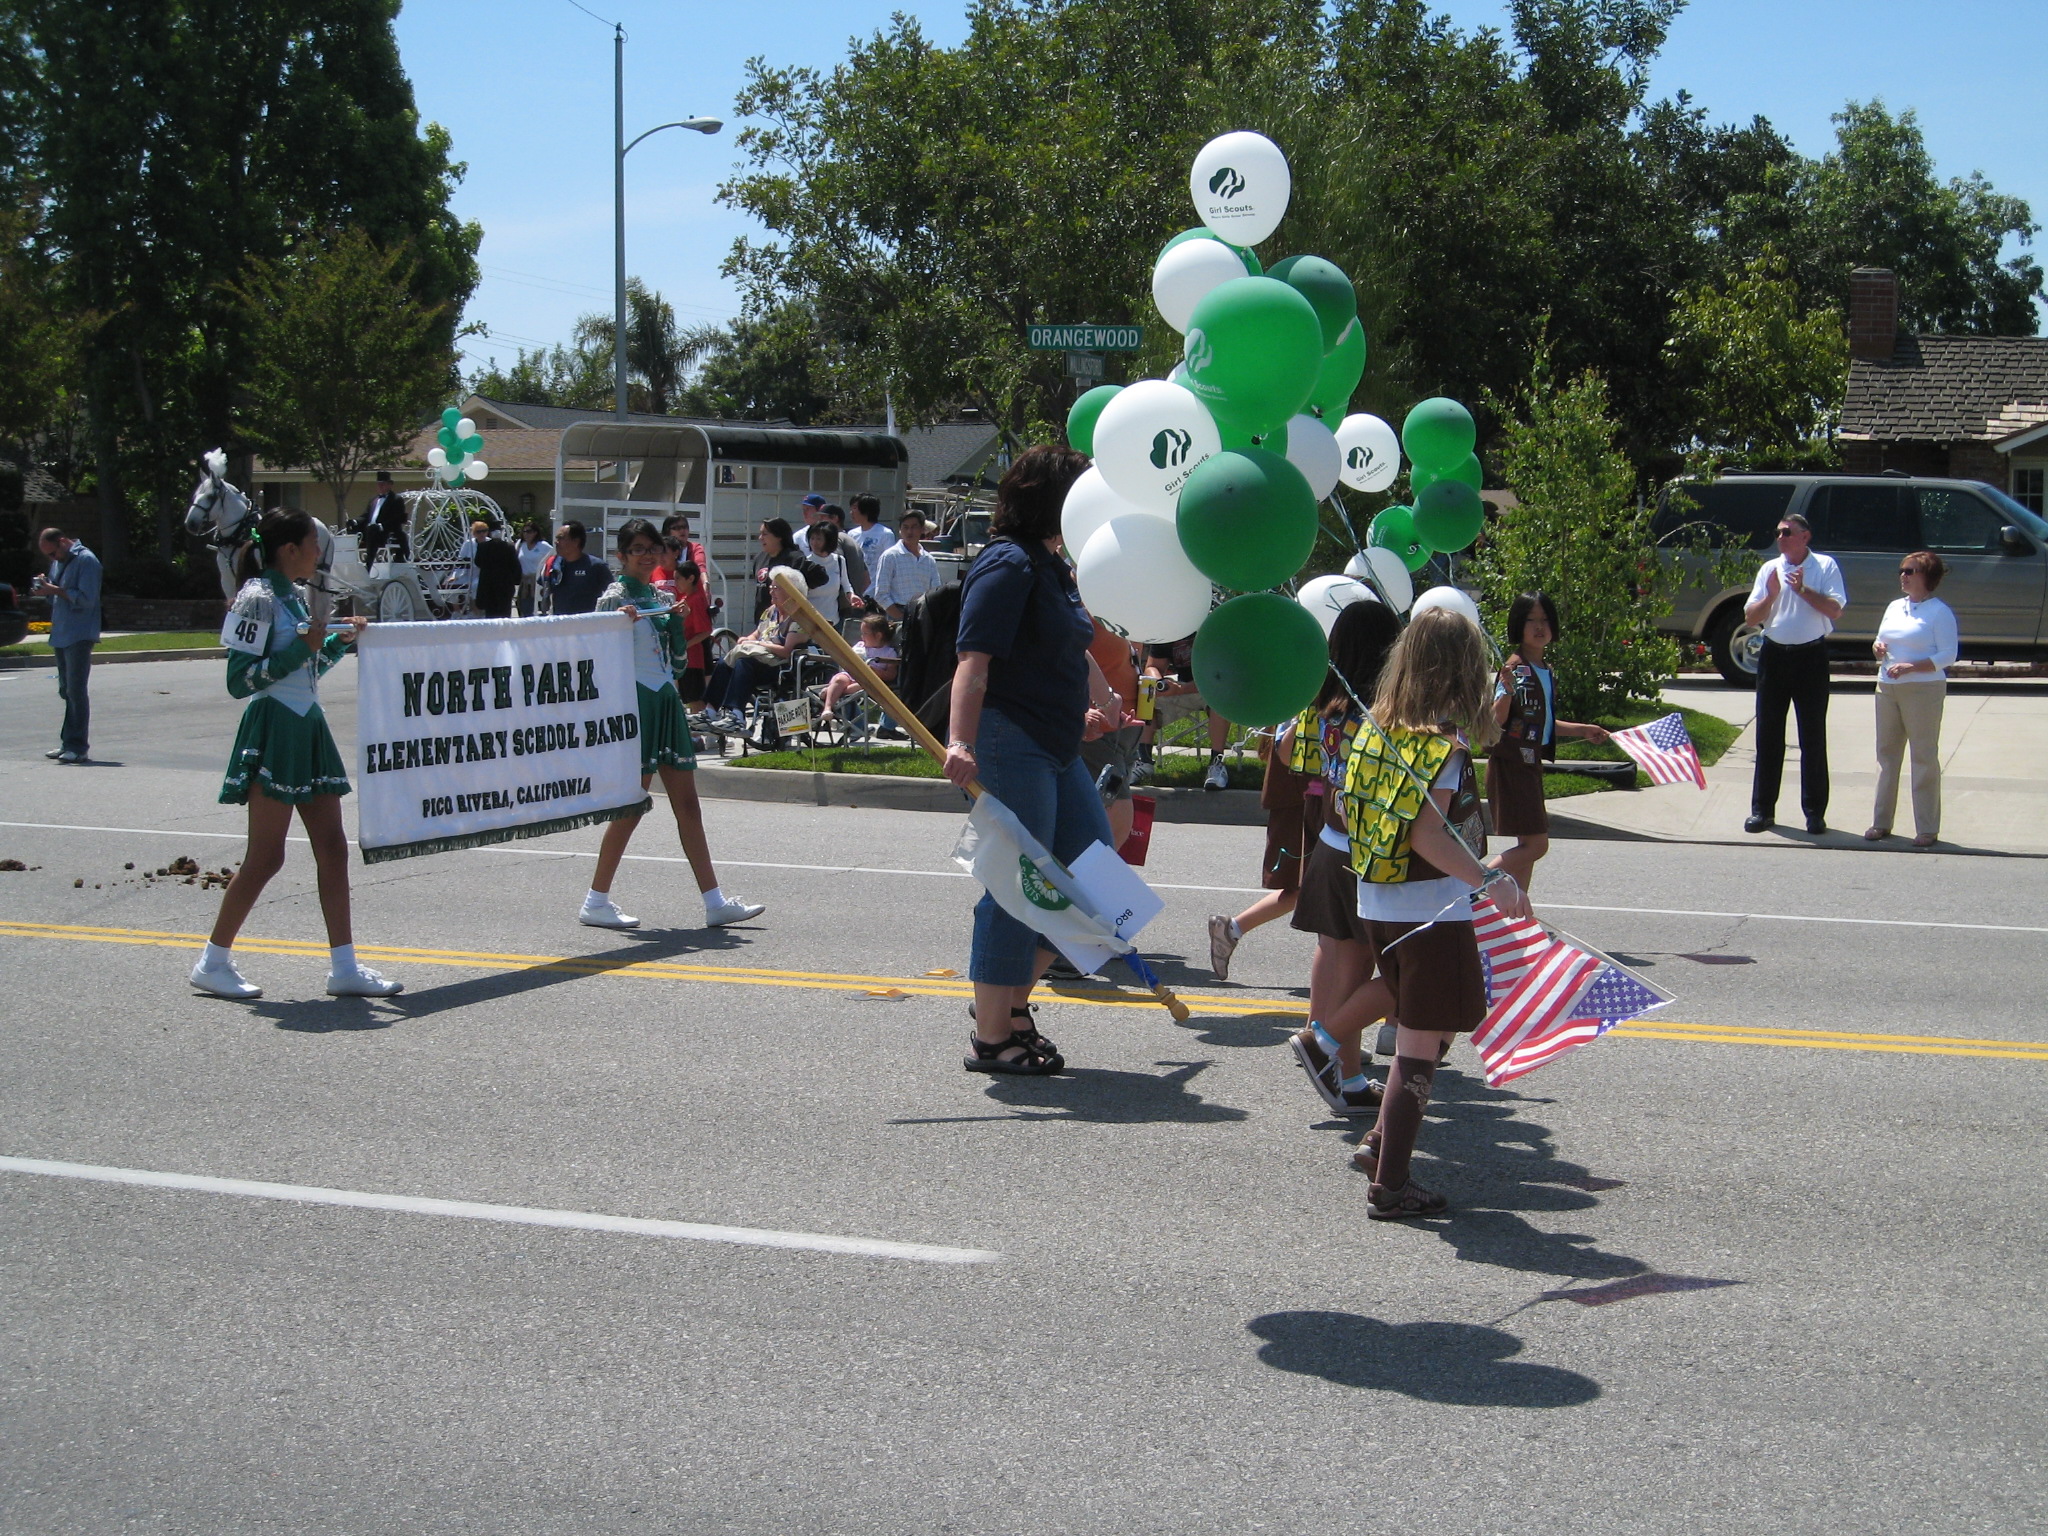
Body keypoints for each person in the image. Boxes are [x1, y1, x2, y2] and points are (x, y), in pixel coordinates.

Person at [1340, 608, 1529, 1220]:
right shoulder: (1439, 747)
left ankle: (1380, 1145)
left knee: (1438, 1024)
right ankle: (1390, 1186)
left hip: (1378, 903)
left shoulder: (1374, 730)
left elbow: (1348, 813)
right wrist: (1491, 879)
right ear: (1462, 670)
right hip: (1430, 910)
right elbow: (1429, 836)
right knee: (1421, 1044)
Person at [190, 511, 401, 1000]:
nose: (318, 553)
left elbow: (304, 667)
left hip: (306, 723)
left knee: (333, 848)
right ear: (289, 549)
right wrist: (304, 646)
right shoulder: (256, 598)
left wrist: (334, 643)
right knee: (266, 856)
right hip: (275, 728)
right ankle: (212, 961)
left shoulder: (292, 596)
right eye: (313, 543)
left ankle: (344, 967)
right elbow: (239, 681)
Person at [942, 445, 1101, 1077]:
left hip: (1058, 743)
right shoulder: (1006, 563)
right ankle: (991, 1035)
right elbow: (973, 661)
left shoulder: (1053, 566)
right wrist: (960, 741)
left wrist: (1101, 702)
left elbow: (1068, 649)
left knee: (1090, 874)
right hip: (1011, 741)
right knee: (1014, 884)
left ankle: (1010, 1005)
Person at [580, 519, 765, 932]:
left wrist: (673, 623)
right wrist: (618, 621)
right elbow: (597, 652)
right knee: (632, 805)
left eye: (653, 549)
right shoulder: (613, 599)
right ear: (621, 556)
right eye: (638, 549)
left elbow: (677, 664)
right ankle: (595, 900)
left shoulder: (660, 596)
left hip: (665, 699)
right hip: (637, 703)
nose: (647, 555)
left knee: (688, 805)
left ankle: (714, 902)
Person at [1272, 600, 1403, 1117]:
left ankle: (1347, 1077)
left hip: (1329, 842)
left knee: (1344, 961)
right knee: (1386, 970)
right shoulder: (1385, 713)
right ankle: (1326, 1051)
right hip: (1366, 853)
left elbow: (1285, 755)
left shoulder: (1326, 707)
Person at [1487, 591, 1609, 892]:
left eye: (1545, 620)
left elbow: (1542, 723)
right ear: (1519, 624)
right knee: (1537, 845)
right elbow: (1494, 721)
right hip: (1512, 764)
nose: (1539, 627)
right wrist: (1508, 692)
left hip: (1530, 762)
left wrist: (1583, 730)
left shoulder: (1544, 670)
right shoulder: (1515, 669)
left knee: (1526, 848)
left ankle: (1519, 918)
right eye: (1532, 620)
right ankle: (1476, 882)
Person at [1744, 511, 1847, 835]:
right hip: (1774, 656)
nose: (1780, 537)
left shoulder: (1825, 566)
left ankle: (1815, 812)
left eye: (1787, 532)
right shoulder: (1769, 569)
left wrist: (1802, 590)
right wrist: (1773, 594)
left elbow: (1835, 609)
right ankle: (1762, 810)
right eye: (1778, 532)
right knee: (1768, 736)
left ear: (1805, 536)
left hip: (1810, 657)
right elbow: (1750, 618)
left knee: (1812, 737)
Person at [1867, 550, 1958, 849]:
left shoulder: (1939, 612)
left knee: (1923, 757)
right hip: (1887, 687)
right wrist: (1878, 648)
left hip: (1923, 690)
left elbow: (1948, 655)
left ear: (1927, 577)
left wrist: (1912, 667)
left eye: (1910, 571)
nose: (1903, 576)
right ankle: (1881, 822)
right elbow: (1881, 640)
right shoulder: (1895, 607)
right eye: (1901, 570)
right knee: (1887, 757)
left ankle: (1927, 828)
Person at [699, 577, 807, 737]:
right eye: (771, 587)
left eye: (776, 588)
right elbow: (757, 634)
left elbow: (786, 651)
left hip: (781, 667)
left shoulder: (799, 618)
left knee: (743, 663)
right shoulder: (770, 611)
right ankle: (710, 711)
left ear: (790, 591)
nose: (771, 591)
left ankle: (737, 715)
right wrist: (747, 640)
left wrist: (762, 645)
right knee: (723, 663)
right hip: (760, 661)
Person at [33, 527, 101, 765]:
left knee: (76, 691)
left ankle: (78, 747)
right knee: (65, 690)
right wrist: (45, 588)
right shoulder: (59, 562)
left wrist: (56, 590)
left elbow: (87, 599)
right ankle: (67, 742)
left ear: (63, 542)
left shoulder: (87, 561)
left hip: (80, 634)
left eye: (53, 553)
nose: (53, 559)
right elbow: (55, 595)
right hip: (61, 633)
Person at [1137, 635, 1234, 789]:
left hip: (1211, 686)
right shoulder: (1171, 627)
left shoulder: (1214, 627)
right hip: (1180, 687)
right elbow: (1152, 666)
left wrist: (1181, 689)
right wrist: (1158, 681)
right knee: (1145, 688)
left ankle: (1217, 763)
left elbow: (1220, 675)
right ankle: (1144, 760)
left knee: (1219, 695)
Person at [820, 613, 899, 727]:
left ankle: (832, 692)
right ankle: (827, 708)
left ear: (878, 635)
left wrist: (875, 671)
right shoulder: (860, 645)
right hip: (850, 674)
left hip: (869, 681)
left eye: (865, 633)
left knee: (854, 687)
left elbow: (891, 675)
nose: (862, 636)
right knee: (839, 679)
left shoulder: (889, 653)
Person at [871, 509, 944, 622]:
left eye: (914, 527)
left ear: (922, 529)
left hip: (922, 615)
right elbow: (881, 594)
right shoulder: (890, 556)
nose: (910, 531)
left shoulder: (928, 560)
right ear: (900, 530)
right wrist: (900, 617)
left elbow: (936, 593)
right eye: (905, 527)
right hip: (897, 615)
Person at [752, 517, 824, 622]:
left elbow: (821, 576)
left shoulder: (794, 558)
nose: (760, 538)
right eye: (760, 534)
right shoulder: (759, 558)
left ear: (778, 536)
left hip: (786, 623)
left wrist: (797, 592)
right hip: (764, 620)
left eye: (765, 534)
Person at [541, 522, 611, 616]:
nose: (556, 542)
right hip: (560, 624)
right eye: (556, 538)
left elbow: (612, 595)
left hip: (587, 625)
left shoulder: (596, 566)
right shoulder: (554, 565)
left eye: (561, 538)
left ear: (576, 542)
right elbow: (544, 590)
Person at [818, 503, 870, 618]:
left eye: (823, 517)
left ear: (835, 519)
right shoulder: (852, 540)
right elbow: (867, 578)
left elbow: (833, 568)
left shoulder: (836, 539)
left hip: (840, 608)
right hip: (856, 605)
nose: (819, 521)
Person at [471, 522, 521, 619]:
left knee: (490, 614)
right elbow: (515, 566)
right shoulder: (509, 547)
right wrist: (516, 581)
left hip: (488, 584)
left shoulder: (483, 547)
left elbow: (478, 562)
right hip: (505, 585)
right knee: (505, 614)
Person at [845, 494, 893, 592]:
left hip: (876, 591)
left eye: (854, 508)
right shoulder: (852, 534)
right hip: (855, 590)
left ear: (866, 510)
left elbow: (890, 564)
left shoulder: (885, 534)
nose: (851, 512)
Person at [802, 520, 850, 615]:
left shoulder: (840, 561)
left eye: (819, 539)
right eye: (812, 538)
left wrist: (851, 595)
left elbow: (846, 584)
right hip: (810, 620)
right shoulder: (805, 563)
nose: (814, 542)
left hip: (833, 620)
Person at [364, 472, 409, 562]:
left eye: (383, 484)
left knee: (373, 534)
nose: (380, 486)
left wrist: (381, 526)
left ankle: (370, 563)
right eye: (378, 484)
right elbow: (366, 515)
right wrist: (356, 521)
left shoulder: (396, 500)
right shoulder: (374, 500)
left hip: (388, 532)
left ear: (390, 485)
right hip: (371, 532)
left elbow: (397, 518)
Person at [515, 521, 550, 615]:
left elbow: (554, 557)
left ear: (535, 532)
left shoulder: (543, 545)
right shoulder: (520, 545)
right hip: (525, 583)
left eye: (529, 531)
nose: (526, 534)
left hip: (539, 582)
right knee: (524, 609)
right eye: (524, 531)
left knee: (540, 609)